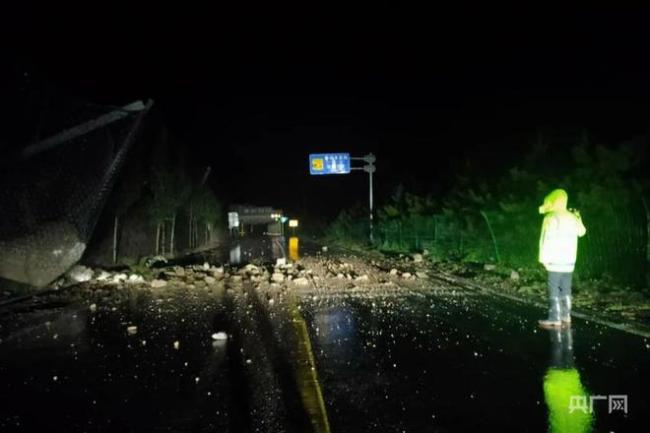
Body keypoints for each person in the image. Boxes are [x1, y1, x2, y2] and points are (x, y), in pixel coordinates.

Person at [538, 189, 586, 328]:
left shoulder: (551, 217)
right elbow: (582, 232)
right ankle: (566, 316)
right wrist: (578, 218)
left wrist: (543, 259)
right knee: (566, 288)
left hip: (555, 260)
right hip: (569, 261)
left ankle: (555, 318)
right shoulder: (572, 217)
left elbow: (545, 239)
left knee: (554, 288)